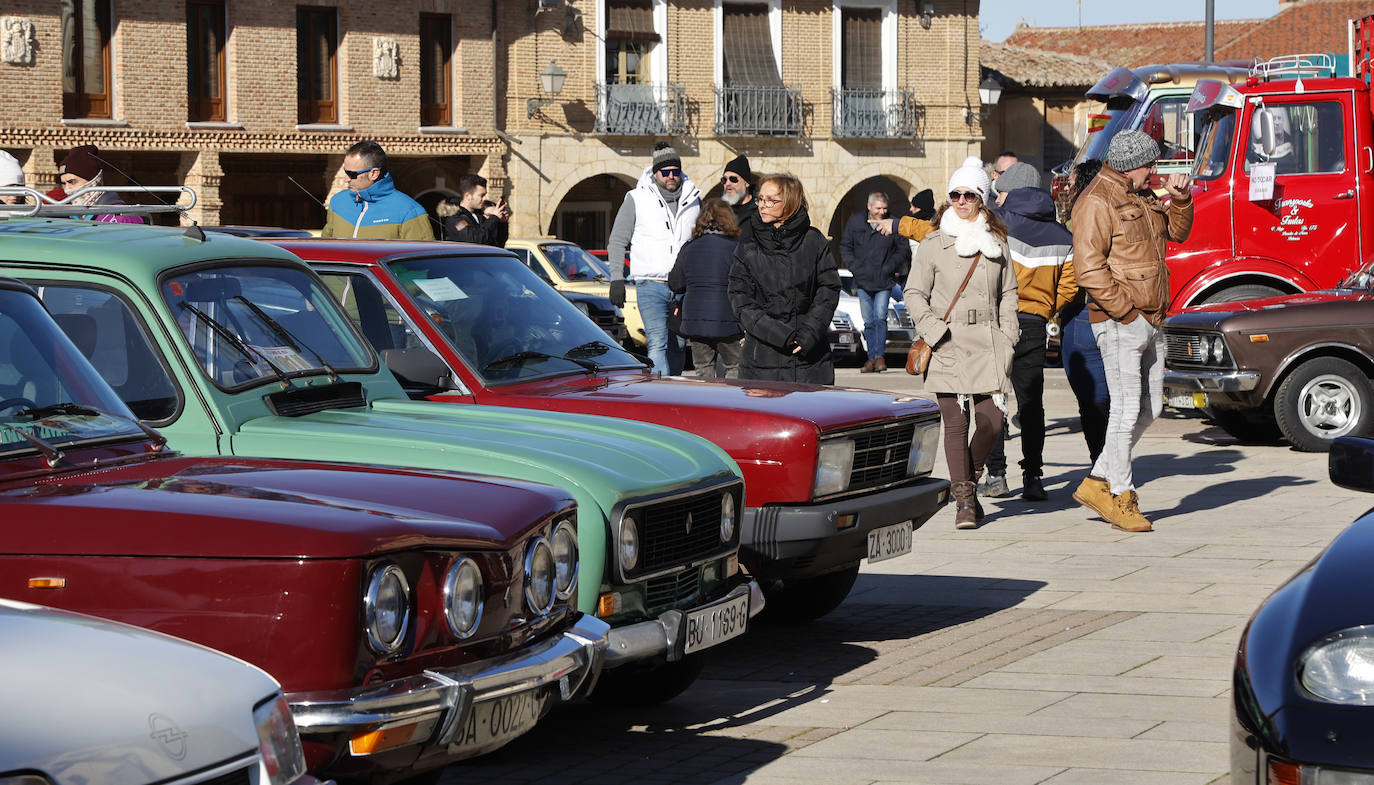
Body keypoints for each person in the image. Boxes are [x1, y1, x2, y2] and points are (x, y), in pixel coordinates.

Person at [1071, 130, 1193, 533]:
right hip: (1121, 320)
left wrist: (1180, 199)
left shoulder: (1140, 194)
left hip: (1153, 317)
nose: (1154, 172)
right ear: (1130, 164)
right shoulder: (1096, 200)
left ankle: (1096, 480)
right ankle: (1122, 496)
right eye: (1150, 165)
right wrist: (1125, 313)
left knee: (1150, 409)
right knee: (1124, 413)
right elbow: (1088, 269)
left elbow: (1175, 233)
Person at [904, 158, 1018, 529]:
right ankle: (965, 501)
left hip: (988, 341)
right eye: (955, 194)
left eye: (970, 194)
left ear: (982, 198)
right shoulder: (934, 244)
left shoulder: (996, 242)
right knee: (955, 422)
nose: (961, 200)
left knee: (992, 422)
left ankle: (966, 478)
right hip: (946, 341)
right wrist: (933, 330)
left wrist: (1008, 336)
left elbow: (1009, 294)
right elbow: (915, 292)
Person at [980, 161, 1076, 502]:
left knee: (993, 400)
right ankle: (1033, 477)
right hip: (1035, 324)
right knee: (1031, 404)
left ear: (1010, 193)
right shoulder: (1062, 236)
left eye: (1000, 192)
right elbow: (1071, 284)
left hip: (997, 321)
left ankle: (997, 476)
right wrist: (1046, 306)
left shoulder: (998, 226)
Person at [728, 173, 840, 384]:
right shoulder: (747, 247)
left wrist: (809, 332)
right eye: (760, 199)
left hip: (810, 357)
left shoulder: (814, 241)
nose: (763, 205)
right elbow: (740, 300)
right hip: (762, 357)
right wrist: (780, 334)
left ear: (790, 202)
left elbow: (829, 290)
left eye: (771, 200)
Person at [607, 141, 701, 376]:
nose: (671, 176)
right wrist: (616, 279)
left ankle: (676, 393)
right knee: (658, 343)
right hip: (651, 285)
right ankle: (662, 395)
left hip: (683, 288)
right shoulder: (636, 198)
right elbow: (618, 240)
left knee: (679, 346)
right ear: (655, 173)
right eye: (665, 172)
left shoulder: (693, 198)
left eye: (675, 172)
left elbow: (697, 242)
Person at [1060, 158, 1110, 467]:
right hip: (1103, 311)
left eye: (1071, 182)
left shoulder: (1077, 219)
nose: (1066, 186)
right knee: (1105, 399)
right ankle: (1106, 462)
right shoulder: (1114, 213)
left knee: (1093, 400)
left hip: (1082, 311)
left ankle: (1101, 462)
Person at [668, 198, 745, 379]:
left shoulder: (689, 247)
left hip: (695, 320)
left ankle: (707, 404)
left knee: (703, 369)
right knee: (734, 365)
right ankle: (730, 404)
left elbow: (675, 284)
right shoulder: (737, 248)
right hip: (729, 318)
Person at [840, 192, 910, 373]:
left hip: (884, 279)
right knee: (868, 321)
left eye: (885, 208)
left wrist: (889, 266)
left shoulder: (893, 222)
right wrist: (855, 267)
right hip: (863, 280)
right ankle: (871, 357)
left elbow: (903, 249)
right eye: (878, 208)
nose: (882, 212)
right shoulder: (856, 222)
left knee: (880, 317)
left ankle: (879, 357)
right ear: (869, 207)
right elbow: (845, 246)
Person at [322, 140, 433, 240]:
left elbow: (423, 260)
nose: (346, 179)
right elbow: (325, 248)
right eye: (346, 172)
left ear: (374, 174)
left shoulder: (410, 212)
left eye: (352, 174)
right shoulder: (338, 202)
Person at [55, 145, 143, 224]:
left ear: (93, 181)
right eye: (64, 183)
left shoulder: (121, 217)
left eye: (72, 182)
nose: (67, 189)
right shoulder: (71, 215)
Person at [439, 173, 509, 247]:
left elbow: (498, 244)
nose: (485, 199)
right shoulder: (455, 219)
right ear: (468, 196)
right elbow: (475, 241)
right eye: (481, 195)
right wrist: (494, 218)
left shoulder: (481, 216)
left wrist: (502, 223)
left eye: (485, 195)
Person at [720, 154, 755, 225]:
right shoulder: (717, 211)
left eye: (733, 179)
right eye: (724, 180)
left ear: (747, 183)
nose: (727, 183)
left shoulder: (761, 211)